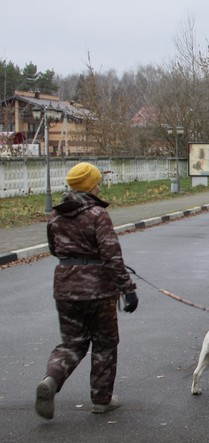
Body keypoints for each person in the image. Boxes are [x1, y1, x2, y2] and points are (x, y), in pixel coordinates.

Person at [35, 162, 139, 420]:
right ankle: (102, 400)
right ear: (91, 185)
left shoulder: (56, 215)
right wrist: (128, 289)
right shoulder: (97, 214)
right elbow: (111, 255)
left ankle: (51, 379)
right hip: (98, 291)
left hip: (65, 288)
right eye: (97, 182)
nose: (99, 186)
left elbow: (54, 249)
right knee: (104, 343)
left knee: (72, 343)